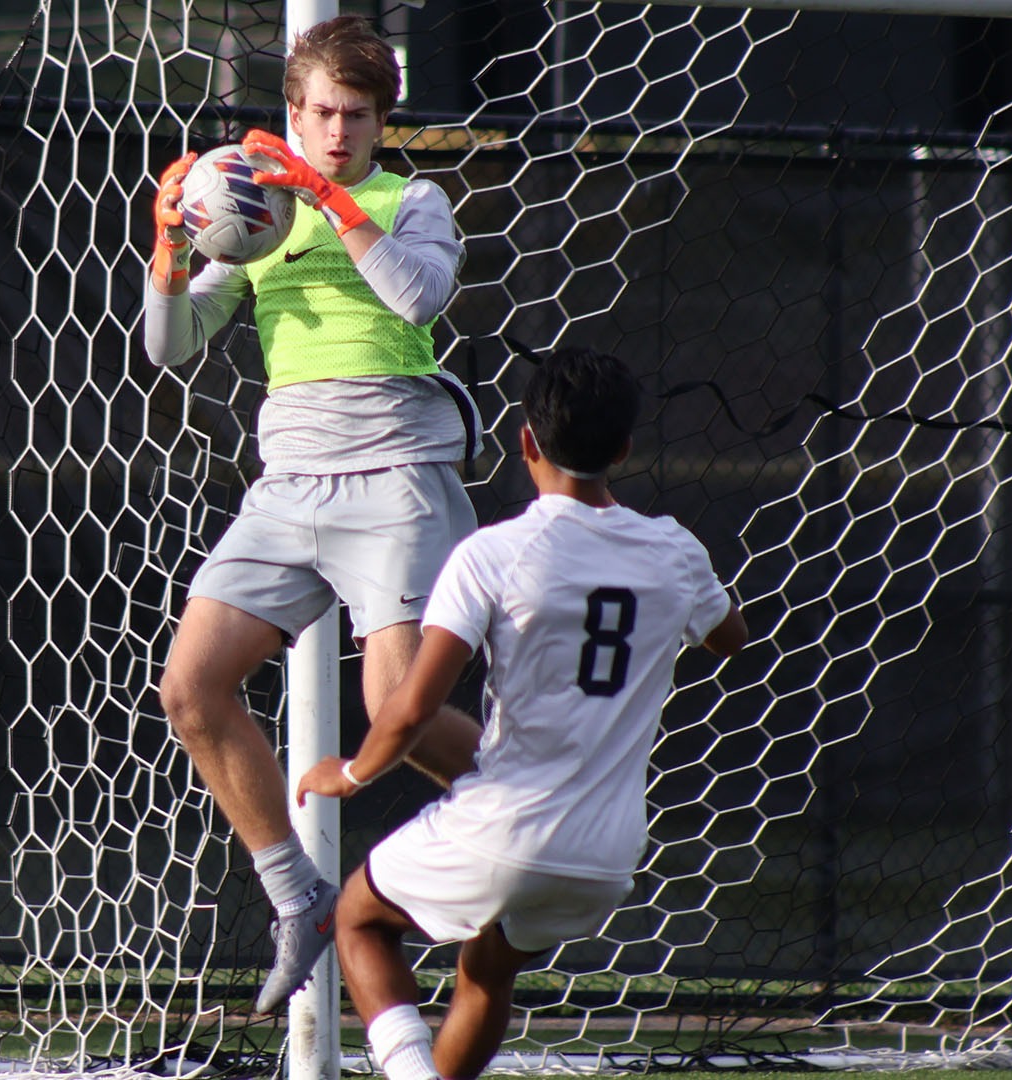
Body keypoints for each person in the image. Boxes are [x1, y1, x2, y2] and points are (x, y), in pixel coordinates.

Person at [143, 14, 482, 1014]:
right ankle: (298, 898)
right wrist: (169, 249)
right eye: (322, 115)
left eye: (358, 117)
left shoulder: (409, 199)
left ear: (382, 122)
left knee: (392, 709)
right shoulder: (253, 211)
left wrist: (330, 200)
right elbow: (171, 343)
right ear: (291, 113)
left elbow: (417, 299)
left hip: (397, 474)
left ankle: (535, 796)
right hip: (288, 484)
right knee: (190, 691)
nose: (338, 132)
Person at [294, 348, 749, 1080]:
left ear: (527, 442)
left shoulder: (494, 554)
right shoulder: (674, 551)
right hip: (605, 856)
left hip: (506, 825)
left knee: (358, 918)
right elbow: (732, 638)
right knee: (485, 971)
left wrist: (351, 772)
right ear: (625, 450)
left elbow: (412, 707)